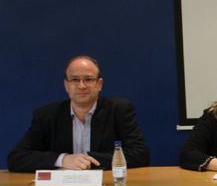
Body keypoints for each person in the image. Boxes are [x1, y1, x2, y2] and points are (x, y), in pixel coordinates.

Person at [7, 55, 150, 172]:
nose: (82, 86)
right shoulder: (47, 115)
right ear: (66, 85)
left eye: (88, 79)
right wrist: (64, 159)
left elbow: (140, 155)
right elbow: (17, 157)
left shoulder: (119, 110)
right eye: (75, 80)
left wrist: (88, 160)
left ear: (99, 84)